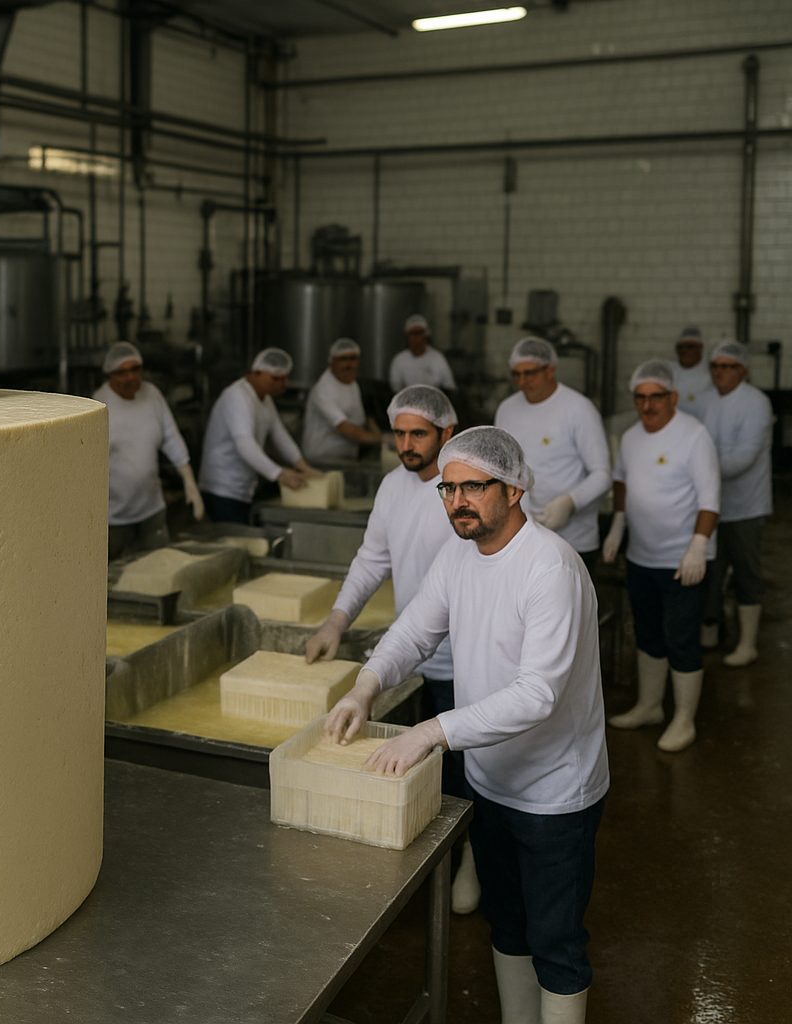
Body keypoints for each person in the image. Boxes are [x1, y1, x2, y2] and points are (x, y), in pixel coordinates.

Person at [324, 426, 607, 1024]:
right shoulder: (459, 555)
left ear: (513, 490)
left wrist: (430, 731)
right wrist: (366, 686)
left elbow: (537, 695)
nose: (457, 502)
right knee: (506, 924)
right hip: (490, 782)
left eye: (472, 487)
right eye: (448, 490)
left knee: (555, 940)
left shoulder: (549, 568)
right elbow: (415, 630)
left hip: (555, 792)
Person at [304, 385, 480, 914]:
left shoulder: (465, 493)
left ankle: (472, 857)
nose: (406, 443)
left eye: (418, 433)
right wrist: (337, 619)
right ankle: (437, 860)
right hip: (412, 658)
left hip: (469, 662)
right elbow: (371, 561)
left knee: (470, 770)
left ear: (446, 433)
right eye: (399, 432)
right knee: (426, 773)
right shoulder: (391, 488)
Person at [603, 360, 720, 752]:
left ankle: (684, 719)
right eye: (641, 398)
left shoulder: (693, 435)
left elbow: (710, 500)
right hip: (642, 557)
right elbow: (620, 478)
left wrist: (698, 547)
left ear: (672, 397)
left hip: (683, 561)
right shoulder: (633, 436)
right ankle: (650, 705)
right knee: (649, 633)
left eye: (656, 397)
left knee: (681, 637)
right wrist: (619, 523)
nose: (648, 405)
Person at [494, 337, 611, 570]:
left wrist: (570, 503)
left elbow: (602, 474)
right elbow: (502, 467)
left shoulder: (578, 409)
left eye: (530, 373)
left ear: (550, 370)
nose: (522, 381)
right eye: (517, 374)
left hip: (573, 539)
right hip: (521, 535)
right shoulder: (507, 409)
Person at [94, 341, 203, 560]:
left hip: (152, 510)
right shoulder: (98, 405)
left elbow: (171, 438)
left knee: (157, 571)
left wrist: (189, 482)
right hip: (113, 518)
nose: (130, 378)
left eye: (135, 370)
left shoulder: (152, 395)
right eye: (122, 372)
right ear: (110, 375)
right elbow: (86, 465)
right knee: (113, 580)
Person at [701, 341, 773, 666]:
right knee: (711, 570)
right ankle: (711, 629)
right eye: (716, 366)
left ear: (742, 370)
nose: (720, 373)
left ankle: (748, 642)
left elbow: (744, 457)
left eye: (727, 367)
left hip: (746, 505)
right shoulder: (708, 401)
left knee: (746, 571)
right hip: (711, 504)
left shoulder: (756, 403)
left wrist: (698, 471)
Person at [198, 348, 318, 524]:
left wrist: (303, 466)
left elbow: (279, 435)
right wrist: (280, 474)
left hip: (243, 487)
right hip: (222, 488)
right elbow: (245, 444)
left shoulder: (265, 399)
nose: (282, 384)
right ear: (256, 373)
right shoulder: (237, 397)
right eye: (275, 378)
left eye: (285, 378)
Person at [302, 337, 383, 463]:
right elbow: (347, 429)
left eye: (353, 358)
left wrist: (376, 431)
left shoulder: (352, 383)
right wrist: (383, 439)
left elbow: (360, 421)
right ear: (331, 362)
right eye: (343, 359)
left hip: (346, 454)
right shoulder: (323, 389)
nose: (349, 364)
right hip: (322, 459)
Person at [388, 313, 457, 392]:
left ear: (426, 335)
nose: (416, 337)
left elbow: (450, 387)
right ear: (407, 336)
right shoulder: (399, 360)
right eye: (412, 333)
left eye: (419, 333)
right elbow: (395, 390)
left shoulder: (438, 359)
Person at [672, 326, 716, 421]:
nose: (684, 350)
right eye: (681, 347)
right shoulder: (669, 372)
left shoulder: (711, 376)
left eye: (690, 347)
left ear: (700, 348)